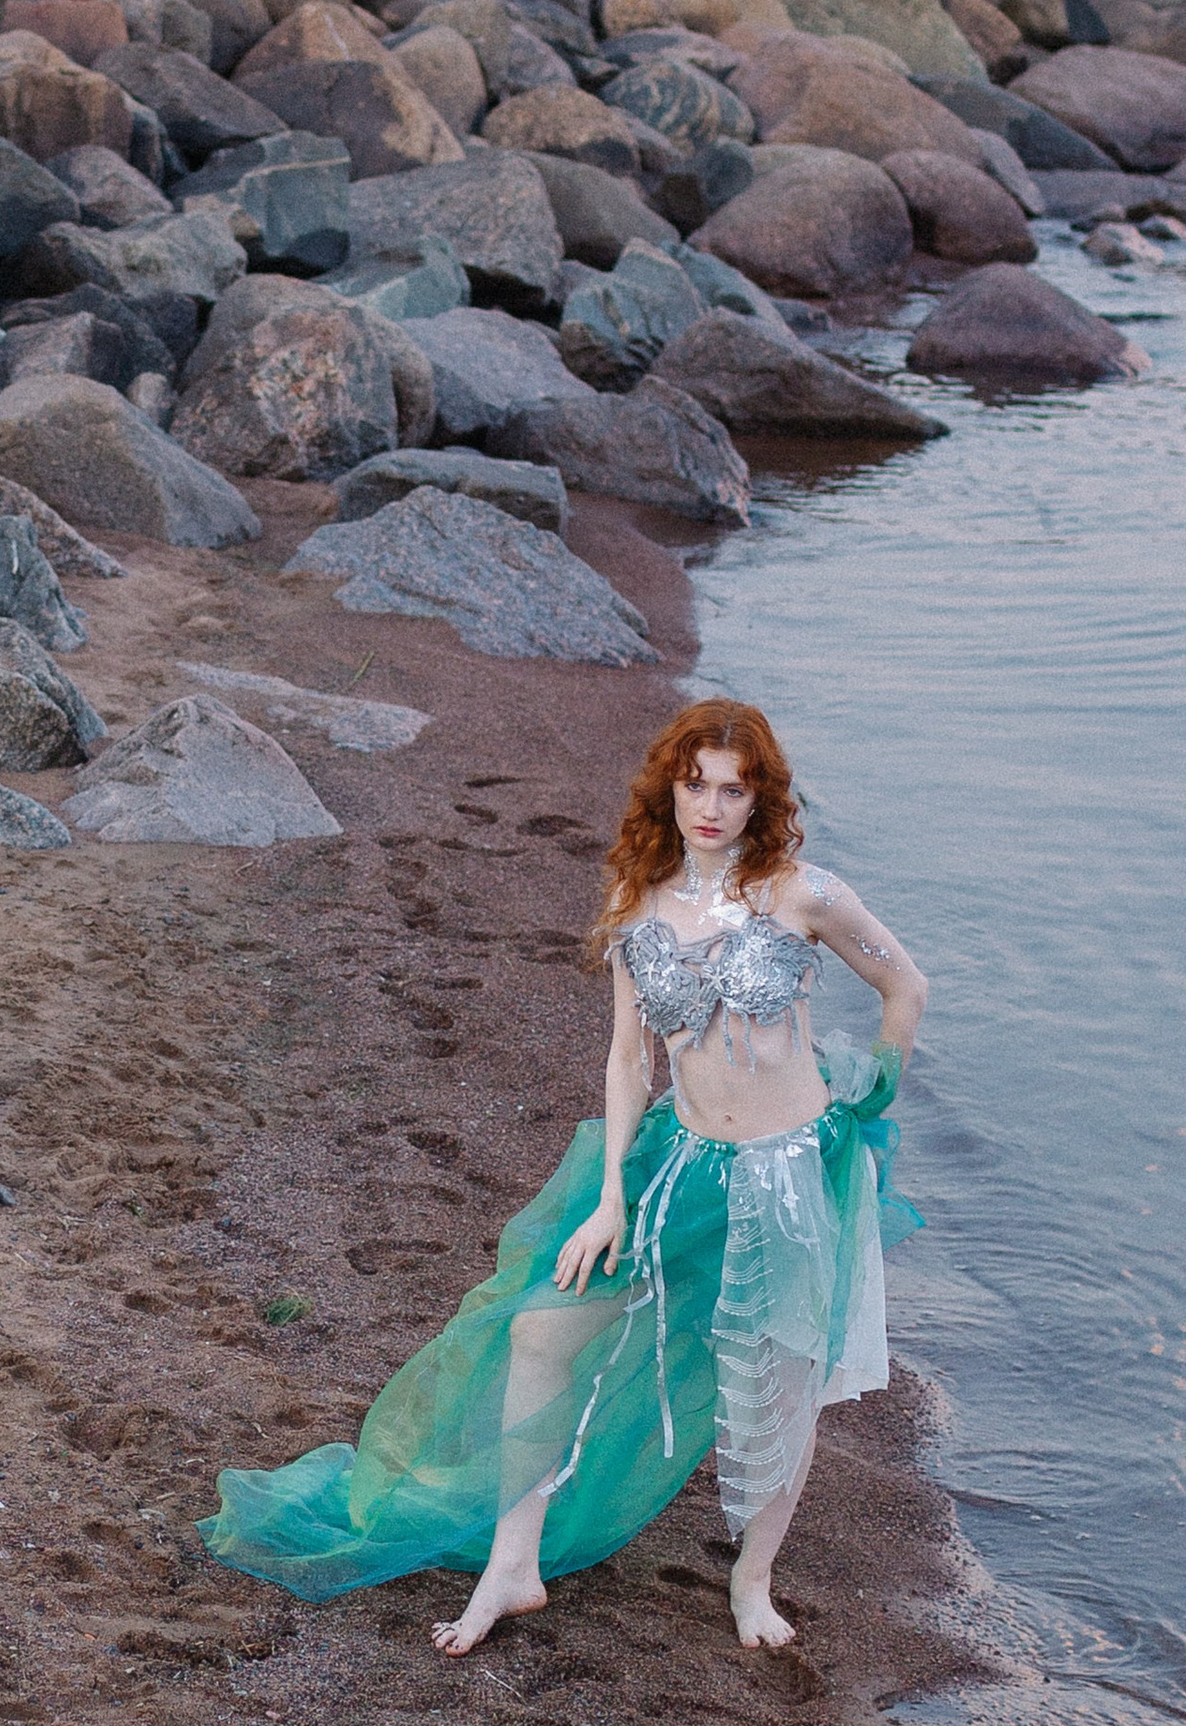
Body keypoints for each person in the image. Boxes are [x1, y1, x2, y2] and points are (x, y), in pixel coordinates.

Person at [201, 698, 929, 1655]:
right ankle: (515, 1563)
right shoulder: (640, 903)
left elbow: (904, 987)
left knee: (777, 1379)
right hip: (678, 1164)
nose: (711, 807)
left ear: (762, 801)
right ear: (670, 787)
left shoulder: (802, 896)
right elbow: (629, 1061)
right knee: (545, 1327)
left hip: (787, 1173)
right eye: (695, 783)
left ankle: (752, 1584)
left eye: (733, 790)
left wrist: (861, 1103)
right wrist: (612, 1196)